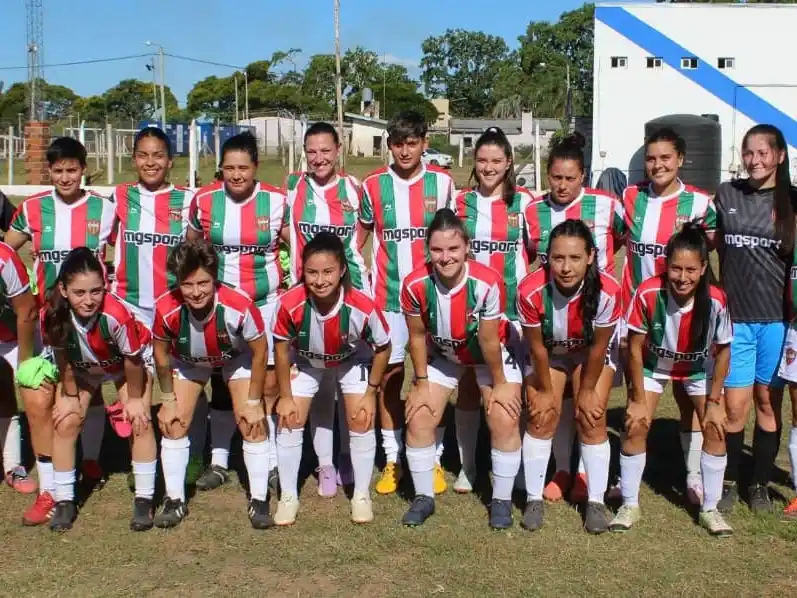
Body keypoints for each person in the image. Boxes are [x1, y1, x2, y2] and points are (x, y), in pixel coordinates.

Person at [5, 137, 115, 526]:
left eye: (72, 169)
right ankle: (51, 488)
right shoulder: (33, 209)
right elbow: (7, 248)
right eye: (58, 170)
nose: (65, 177)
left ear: (83, 169)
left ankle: (89, 457)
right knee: (38, 402)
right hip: (46, 324)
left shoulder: (105, 209)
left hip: (90, 323)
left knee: (90, 392)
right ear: (49, 172)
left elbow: (126, 252)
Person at [400, 209, 522, 528]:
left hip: (486, 355)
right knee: (420, 414)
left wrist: (499, 384)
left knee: (502, 414)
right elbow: (415, 335)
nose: (445, 257)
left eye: (453, 249)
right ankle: (423, 497)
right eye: (437, 250)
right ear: (428, 250)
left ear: (466, 247)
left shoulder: (487, 282)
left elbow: (490, 339)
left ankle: (501, 500)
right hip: (444, 354)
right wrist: (421, 381)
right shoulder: (415, 284)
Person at [610, 224, 733, 536]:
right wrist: (637, 397)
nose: (682, 277)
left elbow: (723, 352)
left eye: (691, 269)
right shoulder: (649, 292)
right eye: (676, 268)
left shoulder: (717, 299)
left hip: (697, 370)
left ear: (704, 268)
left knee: (716, 427)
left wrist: (716, 402)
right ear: (666, 265)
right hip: (654, 366)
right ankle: (629, 503)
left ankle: (710, 509)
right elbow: (634, 349)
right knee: (635, 423)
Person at [525, 133, 626, 503]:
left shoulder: (607, 205)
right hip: (553, 325)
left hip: (593, 320)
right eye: (556, 177)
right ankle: (563, 469)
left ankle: (586, 475)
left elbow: (625, 240)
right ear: (547, 175)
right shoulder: (532, 210)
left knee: (589, 406)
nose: (562, 185)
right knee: (556, 403)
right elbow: (531, 259)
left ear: (583, 175)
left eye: (570, 177)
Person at [359, 110, 455, 496]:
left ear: (424, 144)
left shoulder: (443, 183)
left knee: (435, 378)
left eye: (411, 142)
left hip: (434, 300)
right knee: (391, 381)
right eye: (397, 143)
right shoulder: (373, 186)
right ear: (389, 145)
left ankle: (432, 459)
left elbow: (453, 239)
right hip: (388, 301)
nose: (404, 150)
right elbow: (359, 237)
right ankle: (393, 459)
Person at [619, 128, 716, 506]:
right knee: (636, 393)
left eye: (665, 158)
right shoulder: (630, 197)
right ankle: (627, 476)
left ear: (680, 160)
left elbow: (713, 253)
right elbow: (611, 242)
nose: (658, 165)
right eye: (651, 158)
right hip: (640, 318)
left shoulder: (700, 204)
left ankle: (692, 474)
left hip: (686, 319)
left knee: (688, 395)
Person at [188, 132, 286, 492]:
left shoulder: (277, 201)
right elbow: (192, 249)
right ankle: (218, 460)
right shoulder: (204, 200)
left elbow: (299, 248)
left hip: (266, 305)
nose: (236, 174)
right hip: (220, 310)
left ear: (256, 167)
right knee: (222, 381)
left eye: (243, 167)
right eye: (228, 168)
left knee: (270, 384)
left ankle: (271, 461)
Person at [272, 232, 391, 524]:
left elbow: (383, 347)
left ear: (342, 271)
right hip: (308, 362)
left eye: (328, 272)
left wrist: (370, 392)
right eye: (312, 272)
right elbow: (281, 349)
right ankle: (289, 495)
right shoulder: (289, 303)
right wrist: (286, 397)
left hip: (351, 360)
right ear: (302, 272)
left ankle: (361, 495)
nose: (320, 280)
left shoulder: (361, 305)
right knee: (290, 418)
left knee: (361, 417)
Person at [152, 239, 271, 529]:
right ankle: (175, 500)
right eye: (187, 284)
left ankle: (259, 500)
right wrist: (167, 400)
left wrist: (254, 403)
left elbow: (260, 352)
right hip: (189, 361)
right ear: (177, 281)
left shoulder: (239, 305)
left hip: (235, 357)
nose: (195, 292)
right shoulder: (165, 307)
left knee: (250, 421)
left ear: (215, 279)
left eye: (203, 283)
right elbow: (161, 355)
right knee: (174, 422)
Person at [40, 248, 156, 531]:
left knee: (139, 421)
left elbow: (132, 359)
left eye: (96, 291)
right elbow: (62, 356)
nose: (89, 300)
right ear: (64, 290)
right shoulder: (52, 314)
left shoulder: (116, 314)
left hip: (125, 366)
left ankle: (144, 498)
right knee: (66, 422)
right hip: (82, 368)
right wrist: (68, 396)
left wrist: (136, 399)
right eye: (79, 292)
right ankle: (65, 500)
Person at [517, 219, 621, 534]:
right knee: (542, 414)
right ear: (548, 258)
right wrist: (546, 391)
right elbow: (536, 349)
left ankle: (596, 502)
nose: (565, 267)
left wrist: (587, 390)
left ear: (590, 256)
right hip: (549, 353)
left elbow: (598, 348)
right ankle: (534, 498)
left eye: (575, 258)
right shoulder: (530, 290)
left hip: (587, 353)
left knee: (591, 415)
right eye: (558, 258)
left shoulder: (608, 291)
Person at [282, 121, 369, 495]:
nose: (318, 158)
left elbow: (363, 230)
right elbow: (280, 226)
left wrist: (349, 264)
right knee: (318, 383)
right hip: (307, 294)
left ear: (338, 151)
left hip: (349, 295)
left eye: (325, 150)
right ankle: (325, 464)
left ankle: (350, 454)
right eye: (312, 151)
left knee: (348, 383)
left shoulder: (354, 189)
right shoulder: (291, 187)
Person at [714, 124, 794, 514]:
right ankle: (728, 480)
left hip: (776, 322)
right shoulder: (727, 194)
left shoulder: (792, 202)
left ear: (780, 156)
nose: (755, 160)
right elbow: (703, 243)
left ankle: (759, 484)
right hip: (735, 321)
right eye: (748, 152)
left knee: (767, 402)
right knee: (734, 408)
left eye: (764, 152)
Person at [452, 126, 533, 493]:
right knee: (469, 387)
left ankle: (513, 467)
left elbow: (534, 253)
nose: (488, 167)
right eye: (482, 160)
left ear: (509, 162)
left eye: (496, 160)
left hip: (512, 314)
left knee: (514, 390)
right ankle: (468, 467)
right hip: (468, 313)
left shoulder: (526, 203)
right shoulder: (459, 202)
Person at [0, 241, 39, 495]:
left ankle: (13, 465)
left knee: (36, 396)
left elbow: (26, 310)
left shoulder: (4, 257)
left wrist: (25, 362)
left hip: (14, 336)